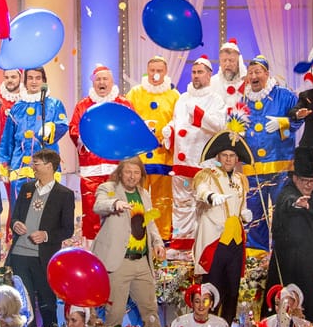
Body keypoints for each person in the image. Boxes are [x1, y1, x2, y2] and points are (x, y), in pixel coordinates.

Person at [7, 148, 75, 327]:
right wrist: (15, 225)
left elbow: (68, 230)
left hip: (44, 258)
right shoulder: (26, 188)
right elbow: (14, 217)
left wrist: (46, 236)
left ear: (49, 166)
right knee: (23, 302)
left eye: (36, 164)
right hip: (20, 255)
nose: (32, 167)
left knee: (47, 302)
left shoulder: (65, 194)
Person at [237, 56, 299, 255]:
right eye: (251, 72)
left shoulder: (284, 95)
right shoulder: (243, 100)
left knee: (283, 212)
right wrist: (235, 131)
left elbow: (299, 118)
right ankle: (257, 254)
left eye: (258, 72)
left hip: (280, 168)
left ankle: (284, 254)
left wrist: (284, 123)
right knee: (255, 215)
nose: (254, 76)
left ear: (267, 74)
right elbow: (234, 126)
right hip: (252, 170)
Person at [93, 156, 165, 327]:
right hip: (119, 263)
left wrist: (157, 242)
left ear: (141, 175)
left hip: (142, 262)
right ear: (120, 173)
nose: (132, 176)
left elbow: (150, 222)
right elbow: (98, 205)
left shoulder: (144, 194)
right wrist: (115, 203)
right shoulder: (108, 188)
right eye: (128, 172)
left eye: (136, 172)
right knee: (115, 313)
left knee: (150, 310)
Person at [167, 58, 228, 251]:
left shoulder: (216, 99)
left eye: (200, 72)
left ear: (209, 75)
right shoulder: (182, 98)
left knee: (205, 203)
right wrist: (169, 129)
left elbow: (219, 126)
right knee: (182, 203)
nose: (196, 76)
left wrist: (199, 115)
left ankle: (206, 246)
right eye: (194, 72)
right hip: (181, 163)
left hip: (203, 164)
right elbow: (177, 121)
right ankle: (182, 245)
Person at [267, 159, 313, 326]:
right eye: (305, 181)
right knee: (301, 309)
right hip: (294, 268)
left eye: (312, 181)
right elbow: (287, 202)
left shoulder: (309, 198)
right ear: (295, 179)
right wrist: (295, 204)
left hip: (312, 263)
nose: (309, 185)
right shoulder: (288, 194)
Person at [69, 65, 130, 240]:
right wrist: (89, 139)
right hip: (91, 168)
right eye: (98, 79)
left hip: (117, 168)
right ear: (93, 82)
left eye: (105, 79)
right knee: (91, 207)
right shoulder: (83, 105)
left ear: (112, 82)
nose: (102, 83)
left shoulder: (123, 104)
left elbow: (131, 130)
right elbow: (74, 129)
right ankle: (92, 247)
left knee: (119, 206)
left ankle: (120, 244)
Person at [191, 133, 252, 303]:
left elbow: (241, 205)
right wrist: (211, 196)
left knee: (232, 292)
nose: (228, 159)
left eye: (232, 156)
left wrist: (244, 214)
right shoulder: (207, 175)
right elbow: (201, 190)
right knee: (211, 289)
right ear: (218, 157)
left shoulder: (241, 180)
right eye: (224, 155)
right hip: (215, 242)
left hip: (236, 243)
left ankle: (227, 326)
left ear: (236, 158)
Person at [126, 56, 180, 239]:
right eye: (152, 70)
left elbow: (179, 120)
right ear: (147, 71)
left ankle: (163, 237)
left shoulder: (174, 95)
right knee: (134, 197)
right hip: (138, 157)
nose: (155, 74)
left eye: (159, 71)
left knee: (162, 200)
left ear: (166, 72)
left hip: (163, 156)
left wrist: (169, 129)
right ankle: (136, 237)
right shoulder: (135, 93)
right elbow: (126, 118)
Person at [0, 67, 69, 204]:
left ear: (44, 81)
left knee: (46, 210)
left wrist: (51, 128)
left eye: (38, 78)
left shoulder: (54, 104)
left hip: (46, 164)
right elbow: (7, 139)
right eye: (30, 78)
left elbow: (63, 124)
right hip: (20, 166)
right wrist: (4, 164)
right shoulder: (17, 107)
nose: (34, 82)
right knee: (20, 210)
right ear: (25, 81)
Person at [0, 68, 26, 149]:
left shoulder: (28, 99)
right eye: (6, 77)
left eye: (13, 77)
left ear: (20, 77)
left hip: (20, 153)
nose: (9, 80)